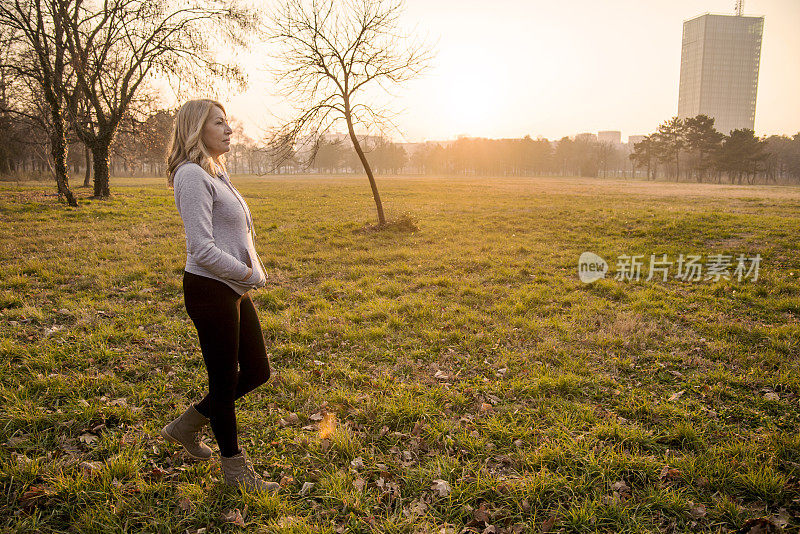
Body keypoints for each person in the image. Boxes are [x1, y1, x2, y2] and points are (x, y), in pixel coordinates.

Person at [160, 98, 278, 494]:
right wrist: (249, 273)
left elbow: (237, 233)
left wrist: (247, 275)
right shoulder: (191, 175)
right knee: (224, 380)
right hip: (210, 290)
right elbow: (201, 249)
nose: (229, 130)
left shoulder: (215, 172)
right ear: (197, 130)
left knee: (258, 371)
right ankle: (235, 472)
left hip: (233, 290)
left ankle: (187, 425)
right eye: (219, 124)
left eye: (228, 123)